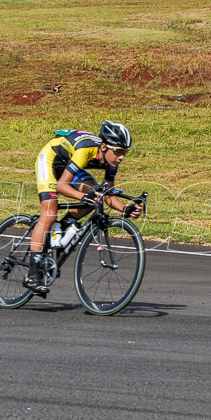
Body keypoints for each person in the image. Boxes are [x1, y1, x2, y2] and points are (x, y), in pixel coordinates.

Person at [25, 120, 143, 293]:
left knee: (96, 195)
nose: (121, 157)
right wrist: (82, 196)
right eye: (118, 151)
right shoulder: (85, 151)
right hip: (50, 158)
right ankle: (32, 274)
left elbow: (107, 194)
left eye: (125, 152)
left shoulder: (112, 163)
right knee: (49, 213)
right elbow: (61, 186)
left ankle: (61, 228)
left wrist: (126, 209)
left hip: (68, 163)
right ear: (104, 147)